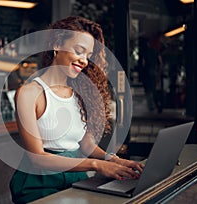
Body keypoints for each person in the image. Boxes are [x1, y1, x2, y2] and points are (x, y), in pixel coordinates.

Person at [9, 16, 144, 204]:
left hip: (75, 178)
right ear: (57, 44)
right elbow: (37, 158)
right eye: (79, 51)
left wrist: (114, 160)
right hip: (39, 183)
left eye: (88, 56)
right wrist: (97, 165)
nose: (84, 61)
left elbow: (86, 145)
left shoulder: (80, 93)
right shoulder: (30, 93)